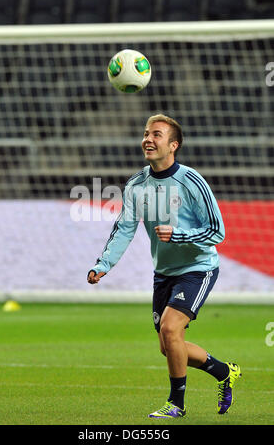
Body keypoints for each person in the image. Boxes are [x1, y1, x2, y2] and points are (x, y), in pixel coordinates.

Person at [87, 114, 241, 419]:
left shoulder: (191, 181)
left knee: (171, 329)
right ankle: (225, 371)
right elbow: (125, 228)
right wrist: (104, 264)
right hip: (164, 273)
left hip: (198, 267)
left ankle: (176, 405)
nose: (148, 139)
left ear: (174, 145)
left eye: (156, 134)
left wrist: (179, 235)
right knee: (169, 345)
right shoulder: (136, 184)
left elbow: (217, 232)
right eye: (146, 133)